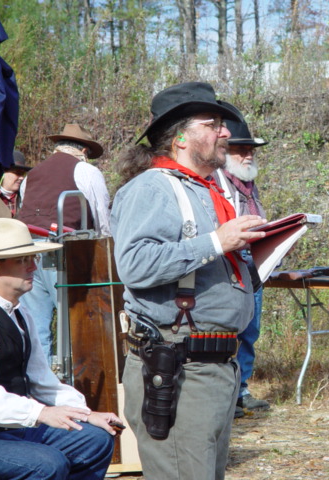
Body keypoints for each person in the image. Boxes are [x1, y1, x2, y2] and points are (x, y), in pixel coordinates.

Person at [111, 81, 267, 480]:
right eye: (214, 123)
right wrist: (219, 240)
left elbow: (204, 261)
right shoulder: (151, 187)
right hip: (180, 368)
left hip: (212, 367)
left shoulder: (205, 190)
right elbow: (135, 265)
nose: (226, 133)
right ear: (181, 137)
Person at [0, 218, 122, 480]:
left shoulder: (20, 313)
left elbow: (41, 382)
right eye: (23, 260)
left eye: (32, 258)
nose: (33, 266)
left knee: (96, 440)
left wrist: (86, 414)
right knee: (46, 463)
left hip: (11, 429)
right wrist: (42, 413)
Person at [16, 124, 111, 359]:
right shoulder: (86, 172)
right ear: (84, 151)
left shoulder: (32, 175)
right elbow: (103, 223)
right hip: (64, 250)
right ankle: (77, 383)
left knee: (36, 327)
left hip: (28, 250)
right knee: (76, 323)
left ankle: (40, 386)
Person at [214, 102, 270, 418]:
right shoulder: (216, 182)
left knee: (250, 330)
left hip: (253, 263)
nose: (247, 155)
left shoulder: (248, 184)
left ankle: (241, 390)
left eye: (250, 150)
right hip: (229, 264)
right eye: (240, 150)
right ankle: (226, 393)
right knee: (228, 331)